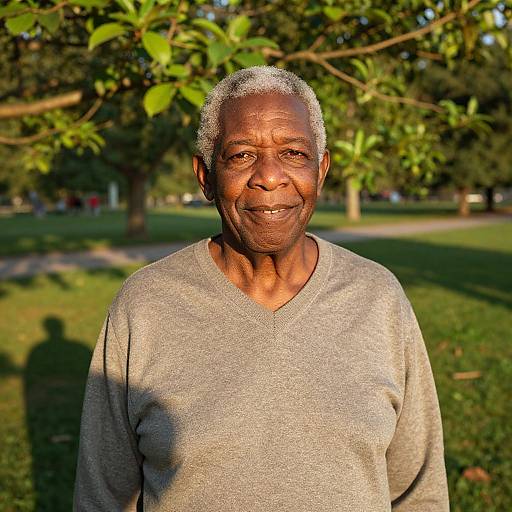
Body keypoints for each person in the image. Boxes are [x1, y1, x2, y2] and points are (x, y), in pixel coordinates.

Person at [74, 66, 449, 511]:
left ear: (321, 169)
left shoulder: (378, 297)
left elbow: (419, 493)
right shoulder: (145, 306)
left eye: (293, 153)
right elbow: (103, 498)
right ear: (206, 177)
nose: (269, 177)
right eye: (242, 156)